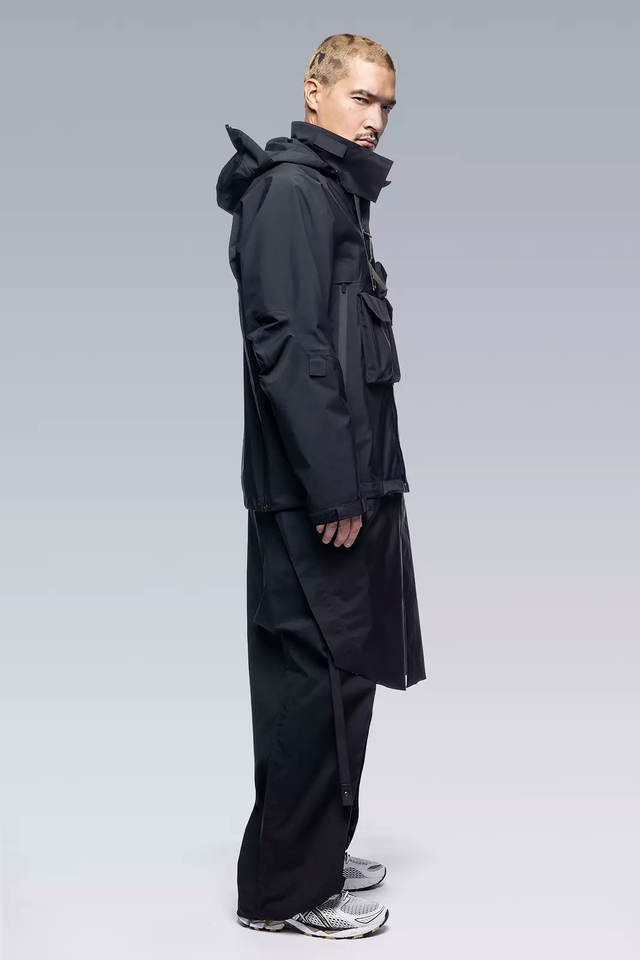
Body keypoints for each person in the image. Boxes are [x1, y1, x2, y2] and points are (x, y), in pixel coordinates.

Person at [216, 33, 427, 939]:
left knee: (341, 678)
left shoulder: (334, 192)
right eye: (361, 98)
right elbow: (288, 350)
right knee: (311, 685)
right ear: (315, 91)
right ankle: (285, 894)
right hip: (317, 494)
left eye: (387, 105)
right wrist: (336, 489)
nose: (375, 119)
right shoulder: (293, 193)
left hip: (349, 485)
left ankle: (310, 853)